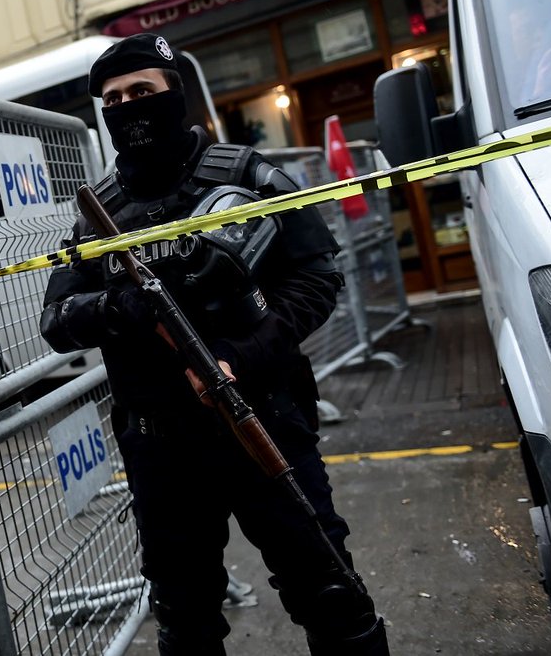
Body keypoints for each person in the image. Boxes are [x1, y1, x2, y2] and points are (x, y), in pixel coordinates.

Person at [39, 34, 389, 655]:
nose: (127, 106)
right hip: (160, 448)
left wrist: (241, 356)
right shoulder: (98, 214)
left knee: (330, 593)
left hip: (262, 417)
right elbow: (56, 319)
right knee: (184, 621)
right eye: (113, 99)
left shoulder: (247, 176)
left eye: (142, 91)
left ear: (175, 94)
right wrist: (116, 308)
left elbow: (317, 276)